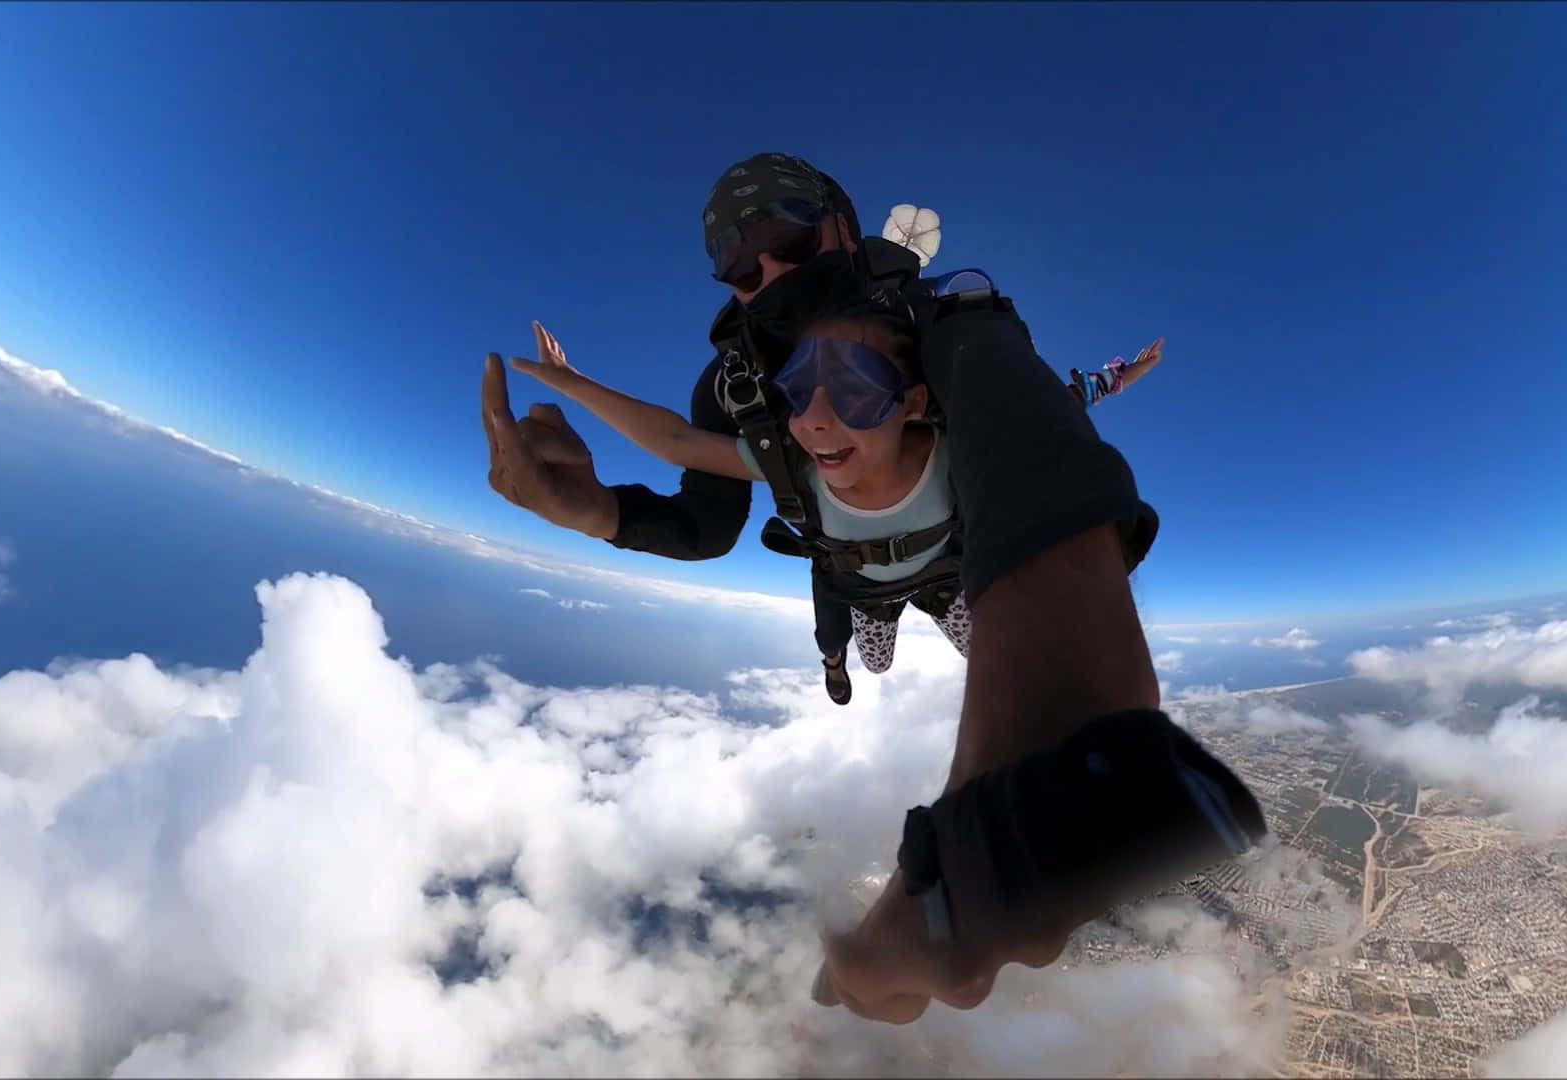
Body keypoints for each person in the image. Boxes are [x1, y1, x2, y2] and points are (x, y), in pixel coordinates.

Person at [482, 151, 1263, 1025]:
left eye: (785, 237)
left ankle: (851, 649)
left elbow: (1037, 426)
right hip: (859, 578)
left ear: (845, 231)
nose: (769, 272)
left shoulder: (953, 334)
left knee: (963, 633)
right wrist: (595, 507)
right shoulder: (747, 391)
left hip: (950, 568)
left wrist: (972, 869)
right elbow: (698, 506)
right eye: (740, 264)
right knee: (866, 645)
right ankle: (842, 660)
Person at [509, 317, 1167, 704]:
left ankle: (841, 653)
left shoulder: (956, 442)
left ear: (912, 404)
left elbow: (1058, 399)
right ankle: (834, 659)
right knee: (870, 659)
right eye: (799, 393)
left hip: (943, 583)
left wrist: (1125, 373)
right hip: (866, 591)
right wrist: (572, 384)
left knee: (1005, 665)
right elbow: (679, 441)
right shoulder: (795, 460)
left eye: (856, 392)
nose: (817, 421)